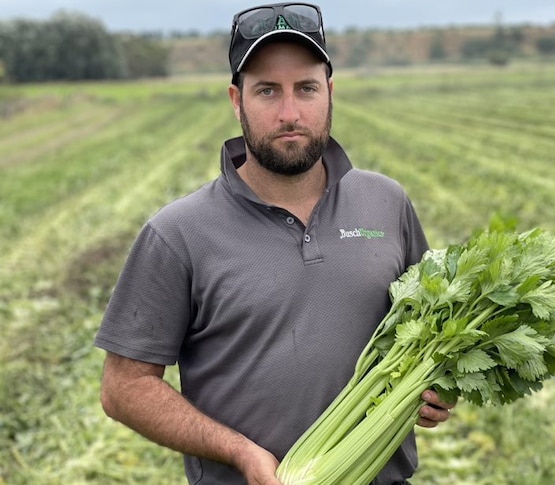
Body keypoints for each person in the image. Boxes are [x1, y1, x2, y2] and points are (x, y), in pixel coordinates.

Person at [94, 3, 453, 484]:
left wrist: (435, 391)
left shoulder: (385, 202)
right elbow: (124, 388)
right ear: (236, 100)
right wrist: (239, 452)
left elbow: (431, 331)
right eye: (267, 91)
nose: (290, 113)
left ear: (330, 92)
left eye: (306, 88)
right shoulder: (178, 233)